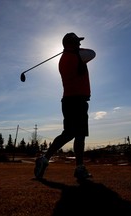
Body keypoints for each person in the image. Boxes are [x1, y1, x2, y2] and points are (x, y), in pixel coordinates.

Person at [34, 32, 96, 180]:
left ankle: (46, 160)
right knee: (75, 134)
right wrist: (72, 50)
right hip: (76, 101)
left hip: (71, 101)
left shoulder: (65, 58)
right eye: (77, 42)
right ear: (70, 44)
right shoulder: (76, 56)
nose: (80, 44)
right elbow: (92, 53)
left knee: (74, 134)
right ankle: (74, 167)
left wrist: (70, 49)